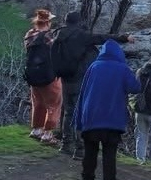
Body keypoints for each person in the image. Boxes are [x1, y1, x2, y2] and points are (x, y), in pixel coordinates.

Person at [53, 12, 131, 159]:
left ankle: (65, 144)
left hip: (65, 78)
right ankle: (80, 149)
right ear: (79, 22)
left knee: (69, 112)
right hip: (79, 79)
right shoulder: (80, 36)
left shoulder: (58, 35)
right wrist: (124, 38)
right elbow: (102, 37)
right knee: (81, 113)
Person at [75, 40, 140, 180]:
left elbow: (83, 91)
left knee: (90, 150)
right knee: (109, 152)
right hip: (112, 118)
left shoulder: (93, 67)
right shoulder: (122, 68)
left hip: (90, 117)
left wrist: (78, 119)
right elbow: (135, 88)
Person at [24, 9, 62, 146]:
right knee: (54, 104)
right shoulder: (50, 37)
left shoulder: (29, 35)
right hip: (49, 76)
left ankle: (36, 130)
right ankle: (48, 133)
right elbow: (57, 54)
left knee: (37, 102)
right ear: (48, 22)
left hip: (33, 75)